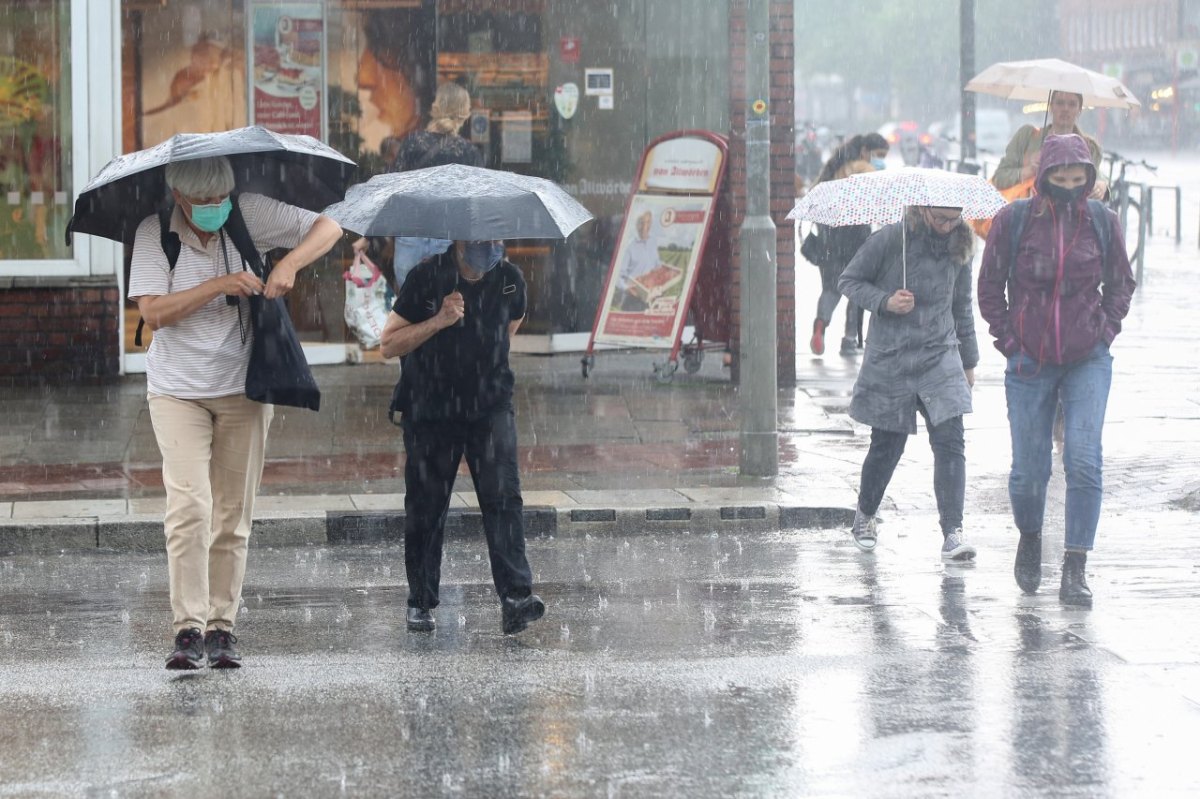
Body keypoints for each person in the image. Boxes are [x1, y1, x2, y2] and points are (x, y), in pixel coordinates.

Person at [127, 156, 342, 669]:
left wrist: (288, 263)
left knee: (232, 515)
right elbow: (153, 312)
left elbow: (330, 224)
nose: (215, 210)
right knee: (189, 508)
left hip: (243, 390)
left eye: (221, 199)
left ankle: (222, 626)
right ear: (179, 197)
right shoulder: (154, 231)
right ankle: (187, 628)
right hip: (177, 391)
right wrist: (218, 286)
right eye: (203, 203)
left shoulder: (246, 213)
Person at [977, 133, 1135, 607]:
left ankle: (1075, 565)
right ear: (1044, 177)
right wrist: (1008, 340)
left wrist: (1105, 331)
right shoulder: (1015, 219)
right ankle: (1029, 536)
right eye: (1060, 178)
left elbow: (1121, 283)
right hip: (1030, 357)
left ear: (1089, 178)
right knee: (1029, 470)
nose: (1069, 185)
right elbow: (990, 287)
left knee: (1084, 459)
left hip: (1088, 357)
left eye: (1077, 178)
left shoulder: (1103, 221)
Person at [379, 238, 546, 635]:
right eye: (479, 241)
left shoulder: (509, 279)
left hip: (490, 407)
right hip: (431, 408)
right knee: (427, 505)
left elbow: (509, 329)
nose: (488, 248)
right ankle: (420, 600)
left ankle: (516, 597)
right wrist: (439, 320)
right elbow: (388, 344)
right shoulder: (427, 276)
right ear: (458, 240)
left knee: (504, 496)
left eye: (495, 240)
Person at [838, 204, 980, 562]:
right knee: (888, 443)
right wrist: (885, 301)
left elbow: (963, 304)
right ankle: (865, 516)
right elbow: (849, 282)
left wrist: (969, 361)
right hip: (892, 356)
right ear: (923, 209)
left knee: (950, 439)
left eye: (954, 219)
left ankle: (952, 532)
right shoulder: (890, 239)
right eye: (941, 218)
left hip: (940, 353)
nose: (948, 226)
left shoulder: (961, 245)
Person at [353, 81, 484, 294]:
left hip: (411, 238)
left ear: (436, 107)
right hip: (448, 241)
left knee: (409, 313)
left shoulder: (413, 144)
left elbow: (390, 191)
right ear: (464, 112)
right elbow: (476, 207)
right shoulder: (469, 153)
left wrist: (369, 236)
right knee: (445, 314)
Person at [808, 132, 889, 357]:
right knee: (856, 288)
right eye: (879, 154)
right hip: (856, 236)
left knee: (831, 288)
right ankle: (850, 338)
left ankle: (820, 325)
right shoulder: (865, 170)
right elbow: (876, 202)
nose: (881, 159)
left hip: (829, 237)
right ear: (865, 150)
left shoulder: (835, 169)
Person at [992, 91, 1105, 199]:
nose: (1065, 109)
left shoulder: (1089, 147)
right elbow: (999, 178)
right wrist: (1030, 170)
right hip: (1028, 213)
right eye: (1060, 103)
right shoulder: (1027, 137)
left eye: (1072, 104)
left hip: (1072, 216)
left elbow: (1098, 182)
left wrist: (1102, 187)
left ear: (1079, 110)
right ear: (1051, 107)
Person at [614, 210, 659, 312]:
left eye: (648, 222)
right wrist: (627, 288)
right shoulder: (629, 247)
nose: (644, 226)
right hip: (633, 300)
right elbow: (617, 276)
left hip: (651, 298)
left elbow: (656, 265)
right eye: (642, 222)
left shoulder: (653, 242)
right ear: (637, 225)